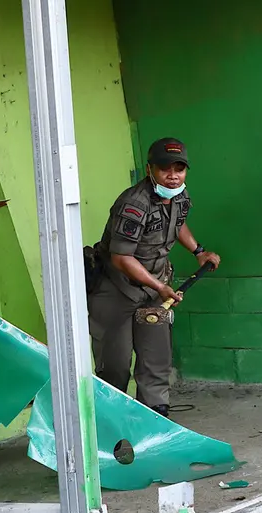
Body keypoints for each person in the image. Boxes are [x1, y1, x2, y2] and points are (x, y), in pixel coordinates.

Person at [88, 138, 220, 417]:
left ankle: (155, 416)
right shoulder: (134, 203)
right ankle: (111, 422)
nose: (172, 176)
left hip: (153, 289)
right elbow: (121, 258)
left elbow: (177, 222)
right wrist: (161, 287)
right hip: (117, 291)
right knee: (116, 365)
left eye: (179, 169)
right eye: (164, 169)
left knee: (156, 358)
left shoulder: (179, 195)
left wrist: (199, 251)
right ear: (150, 170)